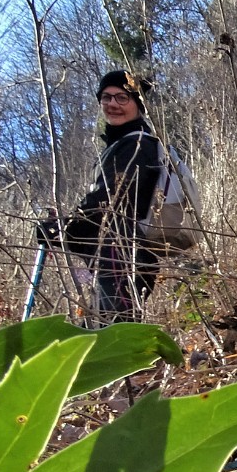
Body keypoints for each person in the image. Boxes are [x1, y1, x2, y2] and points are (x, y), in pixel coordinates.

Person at [38, 70, 162, 325]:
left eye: (122, 98)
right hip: (119, 256)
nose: (112, 104)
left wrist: (63, 229)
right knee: (98, 332)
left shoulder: (137, 145)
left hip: (122, 256)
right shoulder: (124, 145)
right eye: (106, 97)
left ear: (138, 104)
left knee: (109, 338)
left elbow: (109, 203)